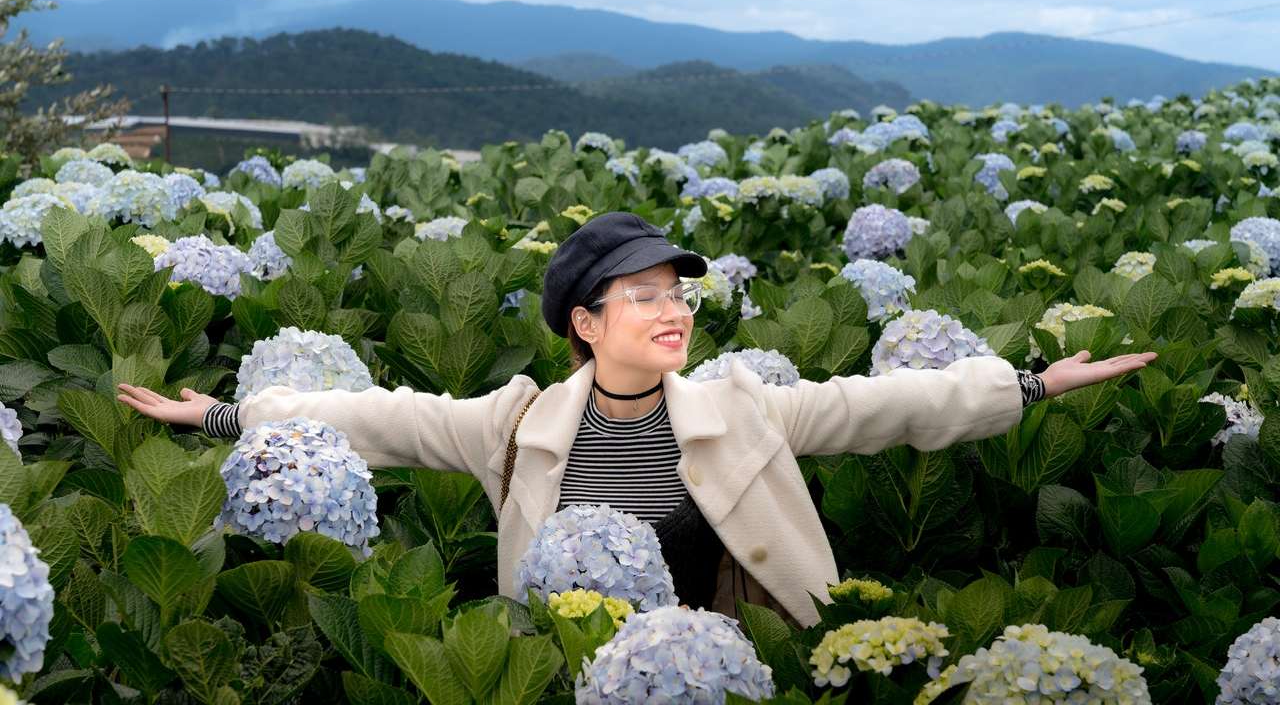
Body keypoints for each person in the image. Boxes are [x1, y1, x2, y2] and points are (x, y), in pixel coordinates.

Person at [117, 211, 1157, 627]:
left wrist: (1028, 385)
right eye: (645, 296)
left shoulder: (740, 408)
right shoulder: (515, 422)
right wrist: (227, 415)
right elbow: (385, 418)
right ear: (584, 320)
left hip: (732, 665)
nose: (672, 313)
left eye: (678, 293)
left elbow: (881, 406)